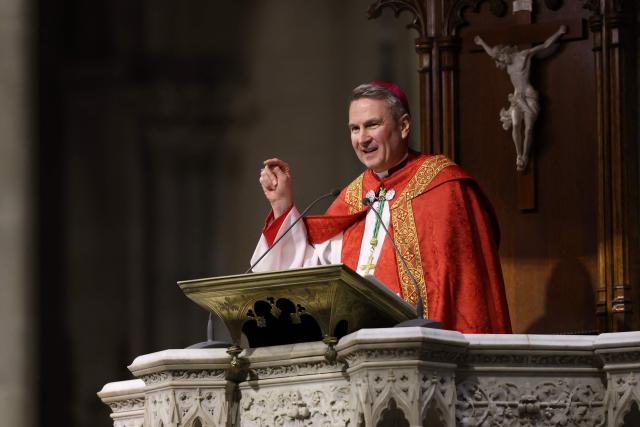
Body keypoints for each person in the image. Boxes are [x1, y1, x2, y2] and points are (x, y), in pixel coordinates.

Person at [251, 81, 511, 334]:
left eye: (372, 125)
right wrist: (281, 203)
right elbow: (312, 277)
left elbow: (467, 286)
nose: (362, 139)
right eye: (354, 128)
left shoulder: (444, 187)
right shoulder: (352, 198)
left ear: (404, 125)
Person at [474, 26, 566, 171]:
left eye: (501, 57)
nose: (501, 62)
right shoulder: (506, 62)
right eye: (499, 60)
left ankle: (525, 155)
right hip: (516, 98)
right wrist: (481, 42)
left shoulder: (524, 56)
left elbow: (545, 45)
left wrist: (559, 33)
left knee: (529, 129)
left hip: (529, 96)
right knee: (516, 125)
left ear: (506, 52)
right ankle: (519, 156)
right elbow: (492, 53)